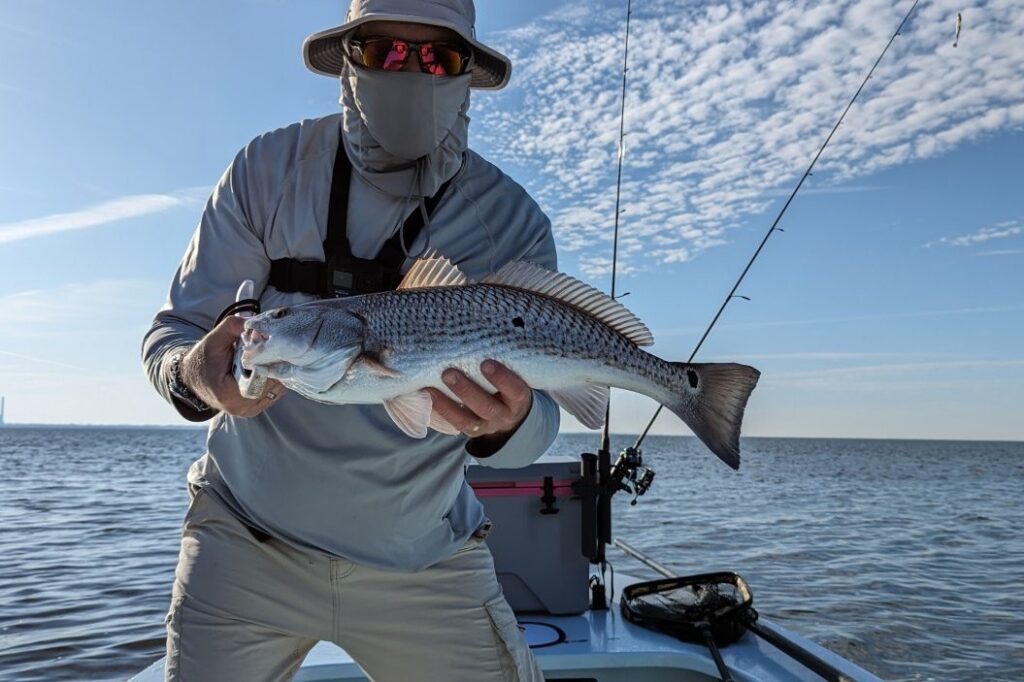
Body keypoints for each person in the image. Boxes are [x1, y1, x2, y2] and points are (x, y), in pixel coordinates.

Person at [141, 1, 559, 680]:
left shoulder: (512, 224)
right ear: (346, 60)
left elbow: (545, 424)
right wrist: (194, 375)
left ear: (467, 73)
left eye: (438, 58)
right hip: (244, 545)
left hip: (426, 561)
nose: (412, 73)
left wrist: (504, 425)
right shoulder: (266, 170)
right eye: (386, 53)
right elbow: (171, 337)